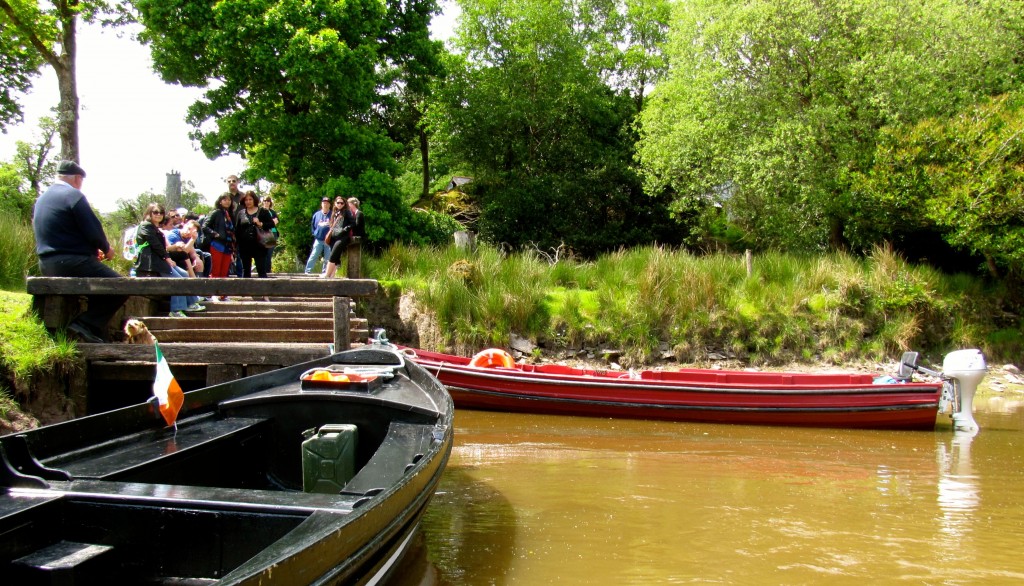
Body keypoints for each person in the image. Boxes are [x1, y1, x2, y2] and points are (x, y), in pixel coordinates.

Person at [33, 160, 127, 343]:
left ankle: (94, 333)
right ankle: (84, 324)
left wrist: (90, 252)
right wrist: (106, 249)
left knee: (99, 288)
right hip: (69, 263)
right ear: (77, 178)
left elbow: (62, 231)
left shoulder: (42, 199)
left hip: (46, 264)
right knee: (122, 286)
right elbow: (92, 229)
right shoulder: (73, 195)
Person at [133, 203, 204, 317]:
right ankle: (176, 310)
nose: (158, 215)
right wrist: (168, 258)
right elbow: (156, 245)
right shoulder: (146, 226)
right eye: (155, 212)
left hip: (160, 260)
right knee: (177, 280)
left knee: (185, 275)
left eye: (161, 212)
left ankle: (191, 303)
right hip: (152, 263)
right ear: (149, 213)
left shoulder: (155, 228)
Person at [202, 193, 236, 299]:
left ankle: (222, 294)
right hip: (217, 245)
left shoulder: (229, 214)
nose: (227, 201)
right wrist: (215, 234)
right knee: (216, 271)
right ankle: (213, 293)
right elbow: (204, 226)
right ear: (220, 201)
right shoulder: (216, 212)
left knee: (224, 272)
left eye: (229, 200)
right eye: (224, 199)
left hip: (228, 246)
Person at [233, 190, 274, 279]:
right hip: (245, 247)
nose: (248, 202)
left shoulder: (263, 211)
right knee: (246, 271)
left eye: (250, 199)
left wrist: (260, 224)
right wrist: (237, 246)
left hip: (260, 245)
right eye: (246, 200)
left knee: (261, 270)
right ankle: (246, 292)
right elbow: (237, 230)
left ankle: (264, 292)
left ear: (254, 200)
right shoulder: (241, 213)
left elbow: (271, 224)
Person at [324, 197, 365, 278]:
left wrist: (345, 229)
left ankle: (326, 275)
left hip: (342, 236)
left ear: (344, 204)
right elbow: (332, 223)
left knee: (333, 254)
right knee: (336, 256)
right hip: (334, 236)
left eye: (342, 203)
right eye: (338, 202)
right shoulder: (334, 212)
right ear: (335, 203)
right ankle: (332, 275)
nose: (340, 204)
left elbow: (353, 223)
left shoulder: (347, 212)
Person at [304, 197, 333, 274]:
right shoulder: (316, 214)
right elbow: (313, 226)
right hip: (319, 240)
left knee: (328, 257)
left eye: (327, 203)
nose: (325, 205)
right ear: (321, 204)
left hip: (329, 240)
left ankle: (325, 273)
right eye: (324, 203)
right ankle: (308, 271)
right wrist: (316, 234)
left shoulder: (333, 214)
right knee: (314, 255)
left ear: (330, 205)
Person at [260, 196, 279, 274]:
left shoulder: (272, 212)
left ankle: (268, 270)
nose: (266, 202)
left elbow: (276, 221)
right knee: (262, 253)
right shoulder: (260, 211)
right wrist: (270, 222)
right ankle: (262, 270)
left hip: (272, 233)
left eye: (268, 201)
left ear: (270, 202)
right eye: (264, 201)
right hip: (262, 234)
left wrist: (269, 223)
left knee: (269, 253)